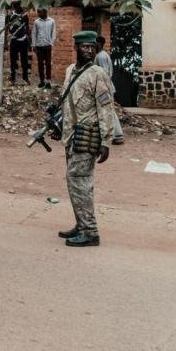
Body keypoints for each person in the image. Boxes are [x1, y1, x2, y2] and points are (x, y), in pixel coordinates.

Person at [58, 30, 114, 247]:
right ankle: (81, 224)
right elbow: (67, 103)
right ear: (76, 48)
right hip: (71, 137)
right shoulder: (70, 71)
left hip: (87, 136)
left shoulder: (98, 74)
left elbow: (105, 108)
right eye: (85, 47)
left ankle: (90, 231)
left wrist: (106, 141)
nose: (89, 50)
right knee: (74, 182)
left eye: (92, 47)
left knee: (80, 182)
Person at [94, 36, 124, 145]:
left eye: (95, 43)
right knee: (107, 110)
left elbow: (104, 74)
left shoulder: (101, 56)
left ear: (100, 44)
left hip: (104, 88)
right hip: (105, 87)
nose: (94, 46)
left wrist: (102, 89)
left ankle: (117, 134)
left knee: (109, 110)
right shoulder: (102, 55)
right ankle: (112, 134)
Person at [32, 8, 56, 88]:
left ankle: (48, 82)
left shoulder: (51, 21)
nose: (38, 14)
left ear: (45, 12)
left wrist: (51, 43)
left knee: (48, 64)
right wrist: (34, 45)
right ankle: (42, 81)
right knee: (40, 64)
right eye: (38, 12)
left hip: (48, 46)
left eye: (40, 12)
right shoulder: (36, 22)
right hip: (39, 46)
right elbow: (34, 34)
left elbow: (54, 33)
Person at [7, 1, 30, 85]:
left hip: (23, 40)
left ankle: (25, 77)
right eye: (19, 6)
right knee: (13, 61)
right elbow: (7, 29)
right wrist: (6, 42)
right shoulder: (10, 16)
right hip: (14, 40)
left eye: (21, 6)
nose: (21, 8)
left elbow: (27, 28)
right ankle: (12, 78)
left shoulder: (24, 16)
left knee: (24, 61)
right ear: (15, 7)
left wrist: (29, 41)